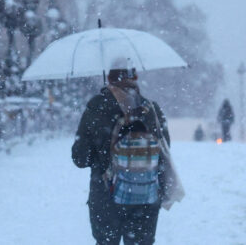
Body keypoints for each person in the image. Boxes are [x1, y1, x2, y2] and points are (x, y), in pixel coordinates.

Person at [72, 60, 173, 245]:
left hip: (105, 196)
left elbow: (80, 158)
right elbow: (165, 149)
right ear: (134, 77)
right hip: (146, 194)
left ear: (110, 78)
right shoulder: (151, 109)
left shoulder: (96, 107)